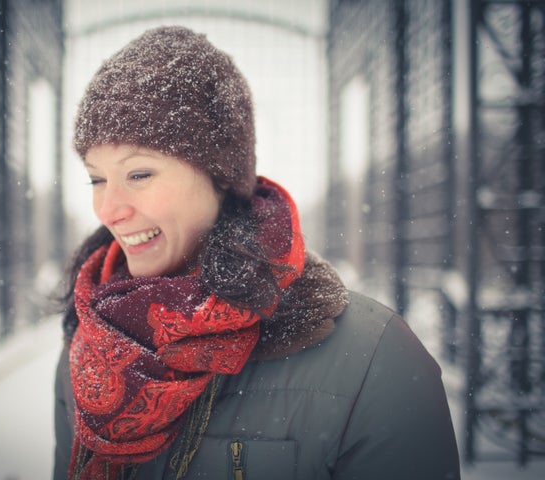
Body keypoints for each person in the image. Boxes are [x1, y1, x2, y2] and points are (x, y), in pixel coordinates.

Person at [53, 25, 460, 480]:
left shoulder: (373, 360)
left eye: (140, 174)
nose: (108, 209)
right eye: (96, 178)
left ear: (220, 175)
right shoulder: (91, 341)